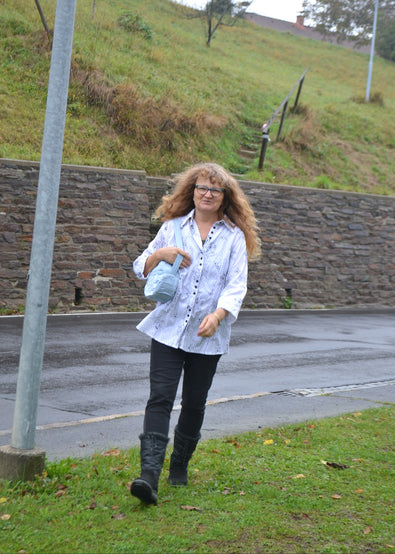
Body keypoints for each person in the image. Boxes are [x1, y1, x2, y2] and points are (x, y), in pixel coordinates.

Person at [130, 162, 260, 505]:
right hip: (168, 329)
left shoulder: (234, 237)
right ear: (192, 191)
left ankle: (179, 467)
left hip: (208, 335)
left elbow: (237, 286)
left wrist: (218, 316)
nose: (206, 194)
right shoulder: (172, 228)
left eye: (214, 190)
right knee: (159, 397)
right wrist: (160, 254)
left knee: (194, 402)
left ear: (224, 197)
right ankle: (149, 476)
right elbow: (139, 266)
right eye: (201, 187)